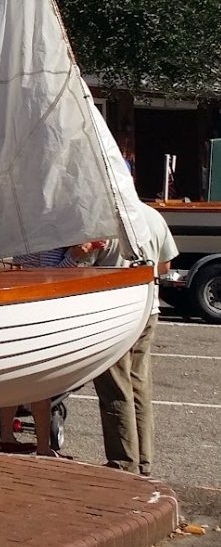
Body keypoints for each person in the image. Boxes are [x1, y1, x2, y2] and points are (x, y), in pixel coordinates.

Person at [92, 203, 178, 477]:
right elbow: (165, 265)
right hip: (148, 308)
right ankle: (143, 461)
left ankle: (122, 462)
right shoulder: (153, 216)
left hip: (115, 314)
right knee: (139, 387)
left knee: (115, 388)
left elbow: (83, 265)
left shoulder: (103, 220)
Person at [0, 241, 105, 457]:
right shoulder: (46, 240)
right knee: (41, 385)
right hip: (36, 311)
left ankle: (7, 437)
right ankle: (42, 447)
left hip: (23, 308)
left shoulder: (36, 234)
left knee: (18, 380)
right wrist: (74, 256)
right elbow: (48, 277)